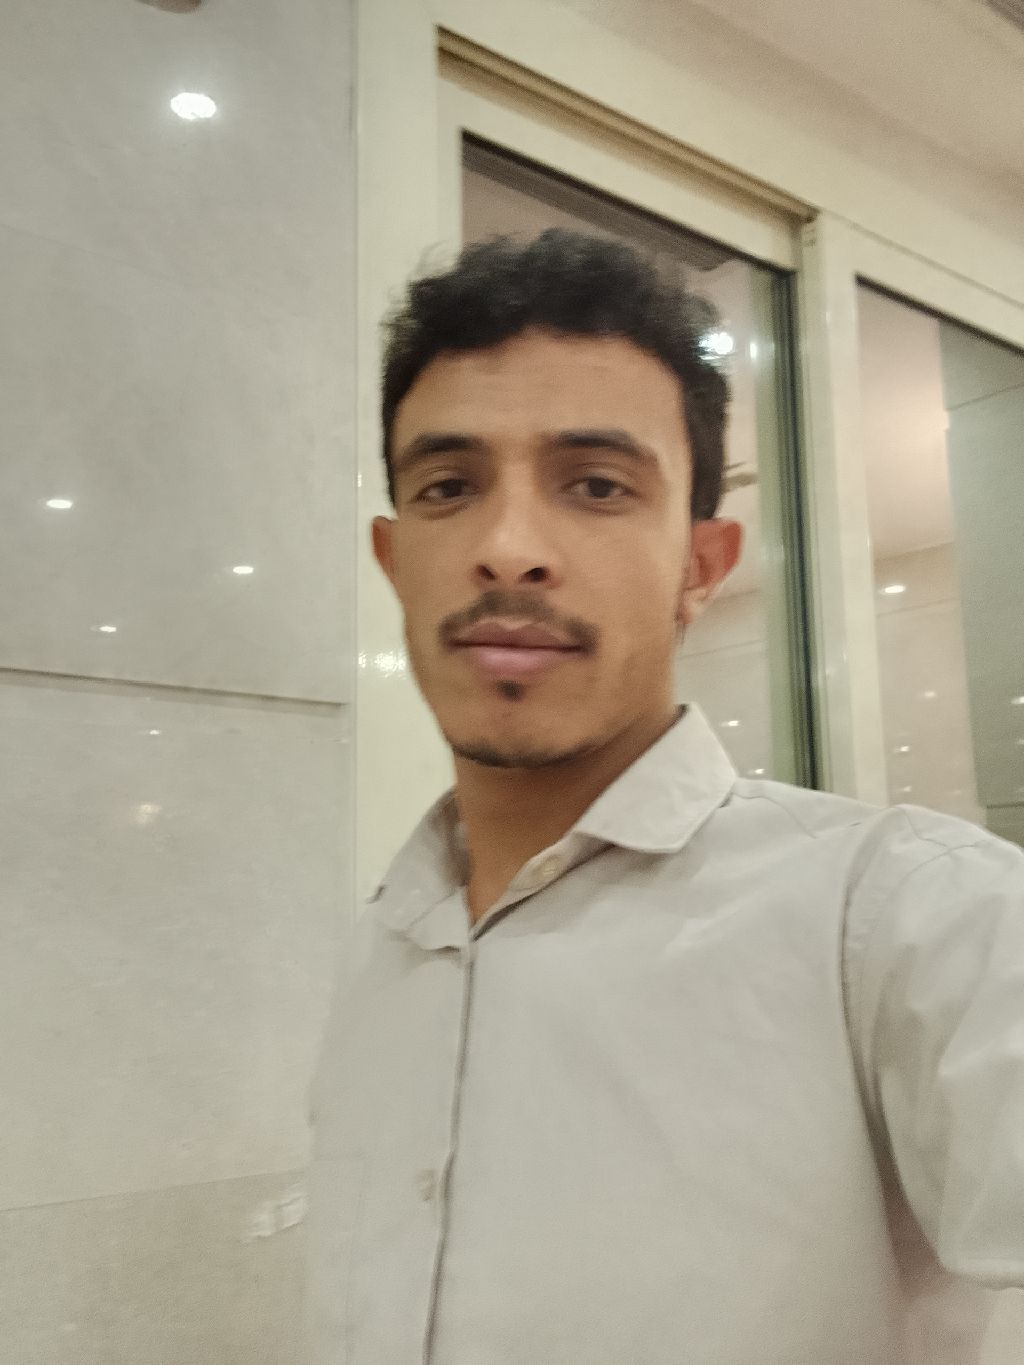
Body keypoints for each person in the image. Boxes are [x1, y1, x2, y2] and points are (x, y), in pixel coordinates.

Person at [304, 230, 1024, 1364]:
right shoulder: (381, 943)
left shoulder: (916, 921)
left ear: (701, 566)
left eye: (596, 485)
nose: (507, 548)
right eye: (449, 487)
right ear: (395, 563)